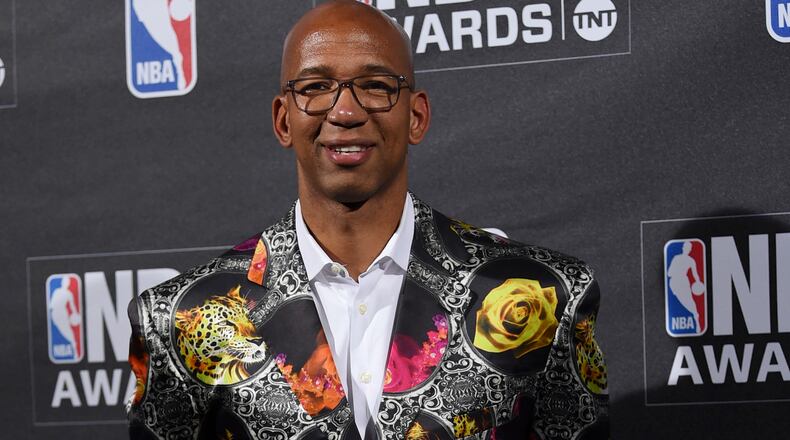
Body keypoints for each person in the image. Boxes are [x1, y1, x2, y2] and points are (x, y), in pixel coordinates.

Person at [127, 1, 609, 439]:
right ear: (283, 120)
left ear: (416, 117)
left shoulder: (547, 296)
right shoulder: (177, 321)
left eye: (376, 86)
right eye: (316, 87)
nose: (346, 111)